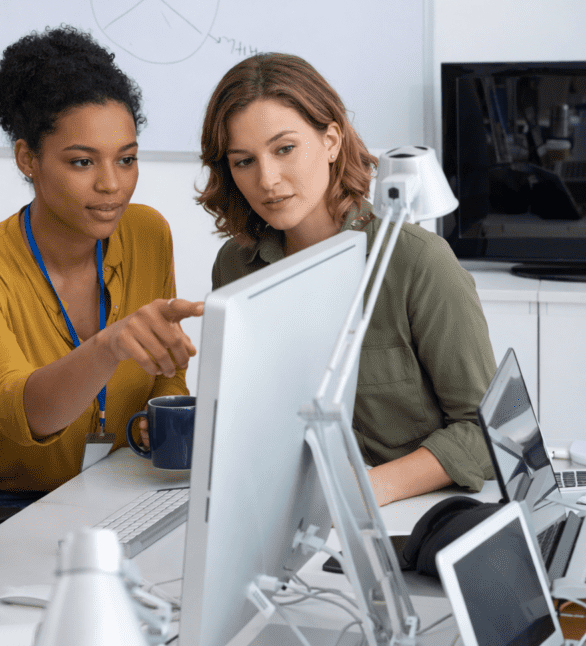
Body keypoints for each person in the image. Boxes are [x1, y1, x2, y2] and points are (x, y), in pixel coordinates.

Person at [197, 53, 496, 506]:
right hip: (287, 508)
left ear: (332, 140)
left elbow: (485, 432)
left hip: (407, 512)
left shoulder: (417, 261)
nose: (268, 179)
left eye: (284, 149)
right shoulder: (236, 266)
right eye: (244, 162)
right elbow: (245, 417)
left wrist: (365, 490)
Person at [0, 26, 203, 506]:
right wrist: (111, 344)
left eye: (127, 160)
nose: (111, 185)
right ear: (26, 159)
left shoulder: (148, 233)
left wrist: (151, 423)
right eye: (82, 163)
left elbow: (165, 370)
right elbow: (23, 414)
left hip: (112, 486)